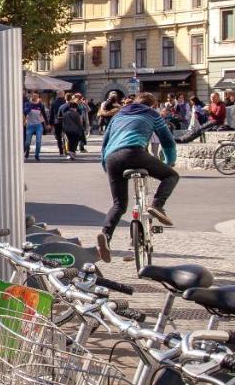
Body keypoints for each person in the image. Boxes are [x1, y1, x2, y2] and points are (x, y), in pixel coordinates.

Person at [96, 92, 177, 262]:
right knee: (171, 176)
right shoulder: (152, 114)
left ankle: (105, 236)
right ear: (152, 105)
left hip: (112, 158)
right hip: (134, 152)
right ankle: (157, 206)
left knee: (119, 204)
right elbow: (167, 141)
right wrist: (170, 162)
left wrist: (105, 164)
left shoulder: (119, 114)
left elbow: (105, 141)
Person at [57, 95, 86, 161]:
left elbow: (61, 120)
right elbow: (79, 123)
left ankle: (70, 153)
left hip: (67, 130)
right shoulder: (76, 114)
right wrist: (81, 129)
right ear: (75, 108)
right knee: (75, 142)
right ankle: (72, 152)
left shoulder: (65, 114)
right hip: (75, 130)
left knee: (69, 141)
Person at [22, 92, 48, 161]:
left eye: (36, 96)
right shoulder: (27, 104)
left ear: (38, 97)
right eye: (34, 96)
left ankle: (37, 155)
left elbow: (44, 114)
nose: (35, 97)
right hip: (30, 125)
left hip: (38, 125)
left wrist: (47, 124)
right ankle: (27, 150)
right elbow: (25, 112)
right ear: (31, 96)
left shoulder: (40, 105)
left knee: (38, 141)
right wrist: (30, 106)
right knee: (27, 142)